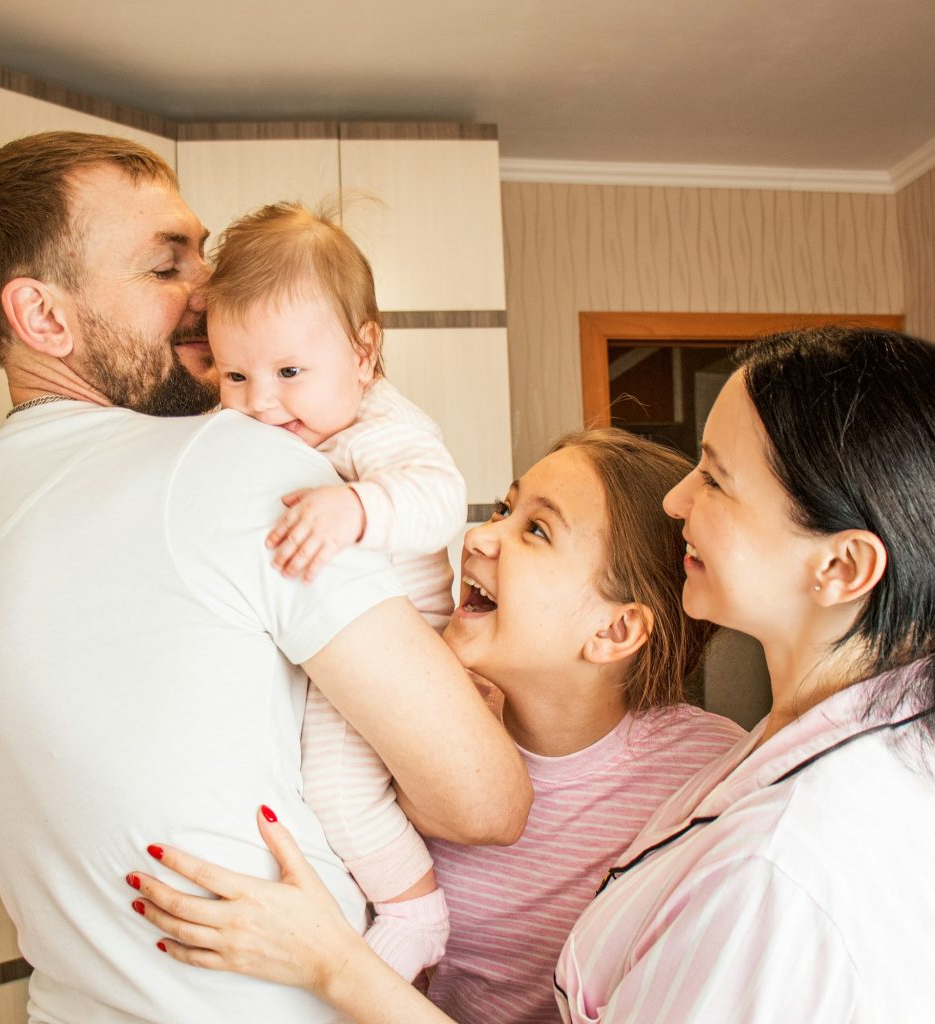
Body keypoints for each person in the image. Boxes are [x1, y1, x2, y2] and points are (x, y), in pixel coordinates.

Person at [125, 325, 935, 1023]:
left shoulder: (782, 851)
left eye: (717, 478)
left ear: (842, 566)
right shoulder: (763, 764)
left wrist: (333, 963)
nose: (679, 500)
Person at [0, 131, 531, 1024]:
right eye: (168, 268)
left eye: (203, 250)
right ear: (43, 317)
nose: (213, 293)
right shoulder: (232, 463)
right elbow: (484, 799)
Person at [127, 428, 746, 1022]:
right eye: (505, 508)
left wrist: (328, 961)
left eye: (535, 529)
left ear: (614, 631)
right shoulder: (410, 713)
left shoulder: (709, 778)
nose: (480, 536)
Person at [205, 202, 467, 979]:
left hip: (404, 639)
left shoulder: (382, 423)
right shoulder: (291, 422)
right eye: (234, 374)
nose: (260, 400)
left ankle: (416, 912)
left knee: (337, 789)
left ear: (363, 353)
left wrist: (358, 506)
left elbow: (440, 497)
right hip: (345, 637)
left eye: (288, 372)